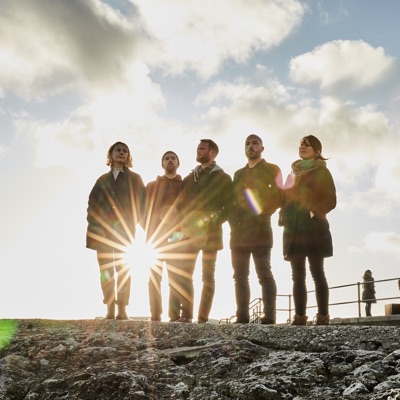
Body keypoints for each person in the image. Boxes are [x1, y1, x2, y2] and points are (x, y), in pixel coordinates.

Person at [280, 135, 336, 326]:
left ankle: (322, 316)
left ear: (317, 151)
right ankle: (299, 317)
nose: (302, 147)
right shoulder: (292, 174)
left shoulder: (322, 172)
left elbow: (331, 199)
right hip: (293, 230)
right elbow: (285, 199)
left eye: (307, 145)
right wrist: (283, 216)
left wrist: (314, 212)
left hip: (313, 229)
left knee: (317, 271)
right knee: (297, 275)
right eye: (301, 144)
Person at [86, 141, 145, 320]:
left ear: (128, 156)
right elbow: (92, 204)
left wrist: (131, 221)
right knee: (106, 270)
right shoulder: (102, 180)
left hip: (124, 232)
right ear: (110, 155)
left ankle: (122, 309)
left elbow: (142, 203)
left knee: (124, 270)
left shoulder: (135, 178)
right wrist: (95, 224)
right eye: (118, 150)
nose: (121, 153)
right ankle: (110, 307)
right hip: (102, 233)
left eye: (125, 151)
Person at [229, 134, 283, 324]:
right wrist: (233, 221)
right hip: (238, 234)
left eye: (254, 143)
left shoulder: (272, 169)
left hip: (261, 231)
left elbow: (278, 197)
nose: (250, 146)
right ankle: (242, 316)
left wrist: (261, 213)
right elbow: (232, 201)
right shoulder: (238, 174)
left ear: (262, 148)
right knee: (240, 276)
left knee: (264, 274)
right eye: (247, 144)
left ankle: (269, 316)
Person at [177, 139, 232, 323]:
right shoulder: (189, 178)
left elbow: (229, 207)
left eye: (202, 149)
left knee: (207, 277)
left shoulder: (223, 178)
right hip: (189, 235)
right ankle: (186, 316)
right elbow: (181, 207)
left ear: (212, 153)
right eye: (197, 148)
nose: (198, 151)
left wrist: (211, 222)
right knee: (186, 274)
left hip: (212, 234)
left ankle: (202, 318)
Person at [143, 151, 183, 322]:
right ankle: (155, 315)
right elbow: (142, 210)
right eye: (166, 158)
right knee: (154, 280)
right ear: (162, 163)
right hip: (155, 240)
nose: (170, 161)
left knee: (175, 280)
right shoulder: (151, 186)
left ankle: (174, 316)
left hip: (177, 240)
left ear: (178, 163)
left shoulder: (184, 185)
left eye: (173, 158)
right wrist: (149, 229)